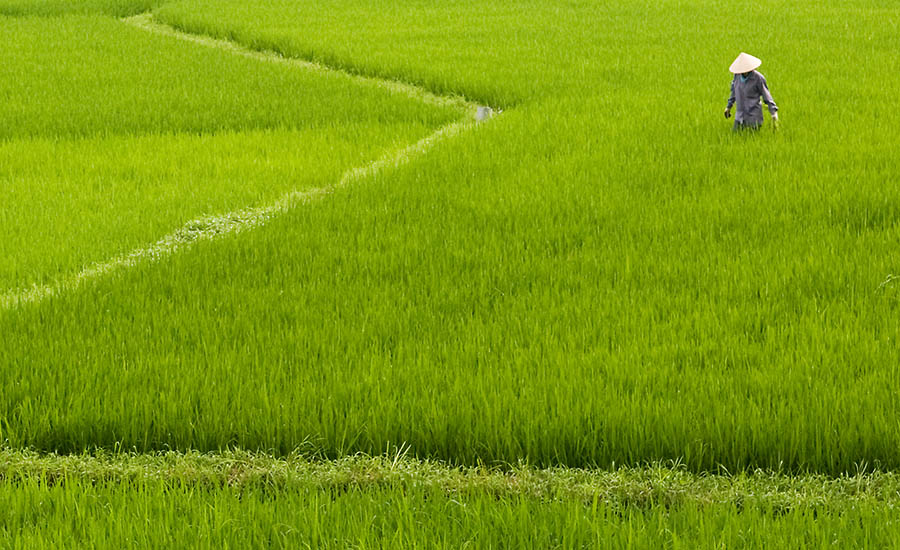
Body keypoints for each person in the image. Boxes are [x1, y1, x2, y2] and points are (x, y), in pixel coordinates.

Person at [724, 52, 778, 131]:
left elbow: (767, 96)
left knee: (752, 139)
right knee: (735, 136)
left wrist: (773, 113)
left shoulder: (758, 78)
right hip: (739, 117)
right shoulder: (737, 76)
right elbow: (734, 92)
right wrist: (728, 107)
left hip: (753, 117)